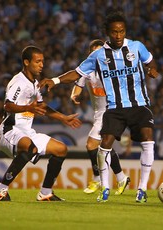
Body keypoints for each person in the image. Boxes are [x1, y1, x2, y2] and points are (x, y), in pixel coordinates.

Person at [40, 11, 160, 203]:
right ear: (107, 32)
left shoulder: (137, 47)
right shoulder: (98, 55)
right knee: (103, 145)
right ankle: (105, 187)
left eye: (121, 31)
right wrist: (55, 80)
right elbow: (76, 73)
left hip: (139, 104)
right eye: (114, 32)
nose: (118, 35)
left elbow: (151, 62)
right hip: (114, 108)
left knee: (148, 139)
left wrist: (153, 70)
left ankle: (142, 189)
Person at [0, 45, 82, 202]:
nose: (41, 65)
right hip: (10, 131)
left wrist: (63, 118)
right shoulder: (18, 81)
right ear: (26, 62)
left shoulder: (35, 83)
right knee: (30, 147)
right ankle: (1, 189)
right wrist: (28, 107)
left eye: (42, 61)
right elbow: (7, 105)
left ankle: (45, 192)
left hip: (27, 132)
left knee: (61, 149)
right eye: (38, 61)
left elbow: (41, 107)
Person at [70, 39, 130, 195]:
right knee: (105, 146)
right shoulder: (87, 70)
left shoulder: (111, 68)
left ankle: (97, 179)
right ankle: (121, 177)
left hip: (110, 112)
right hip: (99, 114)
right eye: (94, 52)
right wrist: (74, 95)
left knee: (91, 145)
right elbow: (78, 85)